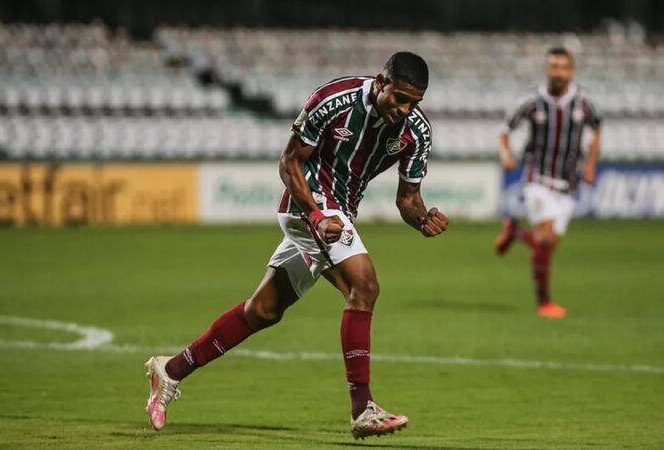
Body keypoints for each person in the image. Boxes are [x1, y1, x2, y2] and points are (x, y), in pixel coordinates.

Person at [144, 52, 448, 440]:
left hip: (340, 217)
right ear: (380, 82)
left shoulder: (416, 132)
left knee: (263, 311)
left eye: (415, 103)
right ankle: (363, 408)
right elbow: (289, 163)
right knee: (364, 286)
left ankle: (170, 370)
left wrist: (422, 218)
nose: (405, 109)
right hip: (308, 205)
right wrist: (317, 215)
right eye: (400, 98)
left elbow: (407, 199)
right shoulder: (334, 100)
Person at [495, 47, 602, 319]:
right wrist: (506, 155)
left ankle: (515, 232)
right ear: (547, 70)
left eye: (564, 67)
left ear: (572, 71)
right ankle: (544, 303)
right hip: (537, 178)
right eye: (554, 67)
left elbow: (597, 128)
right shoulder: (533, 101)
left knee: (548, 242)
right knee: (545, 235)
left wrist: (590, 164)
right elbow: (505, 129)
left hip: (568, 184)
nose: (559, 73)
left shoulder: (583, 104)